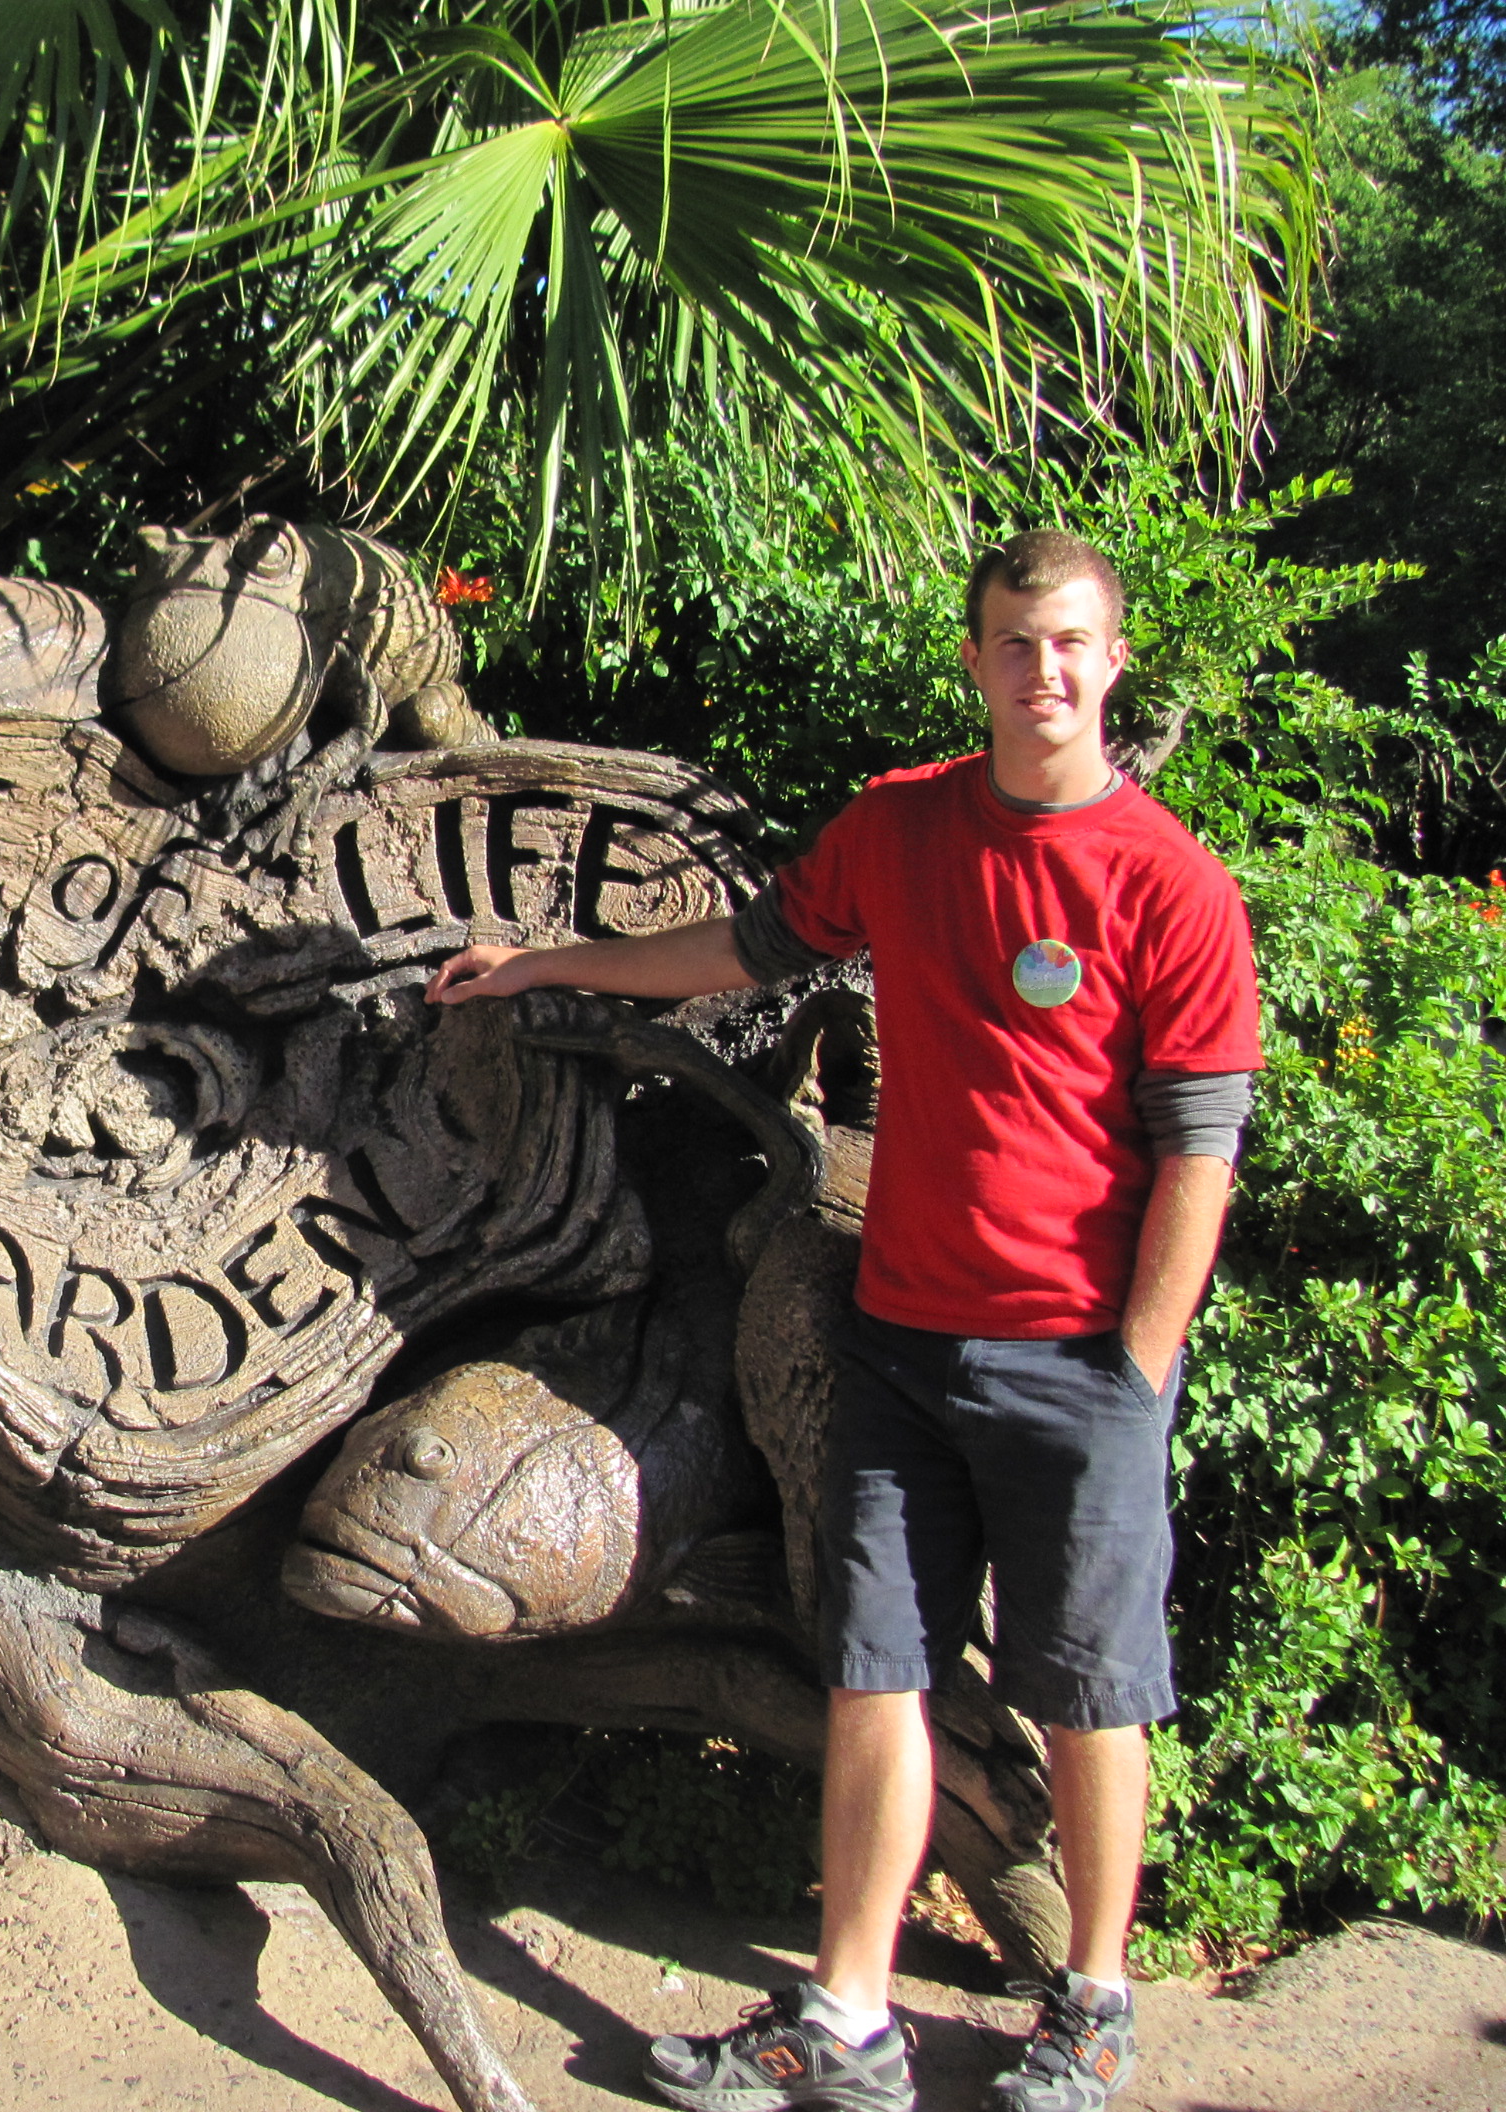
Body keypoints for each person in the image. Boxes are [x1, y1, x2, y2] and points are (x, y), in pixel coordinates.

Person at [428, 530, 1260, 2112]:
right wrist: (545, 964)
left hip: (1078, 1362)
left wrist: (1139, 1367)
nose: (1042, 671)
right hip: (899, 1340)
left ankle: (1092, 2001)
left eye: (1070, 643)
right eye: (1014, 643)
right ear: (976, 660)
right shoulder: (902, 828)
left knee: (1088, 1691)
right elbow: (749, 951)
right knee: (877, 1674)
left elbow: (1201, 1148)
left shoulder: (1170, 881)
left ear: (1113, 660)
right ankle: (848, 2017)